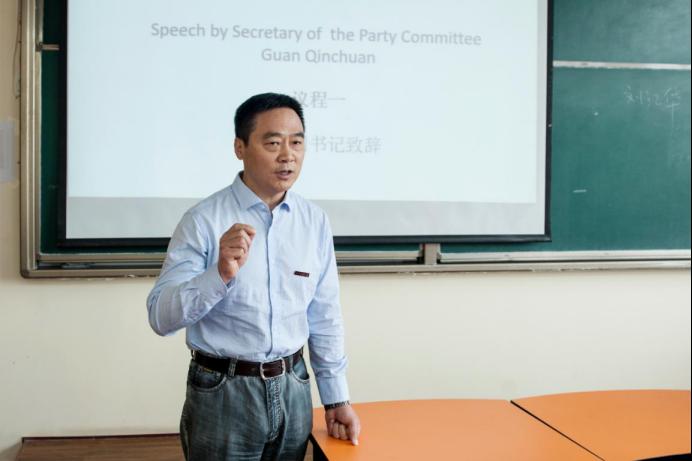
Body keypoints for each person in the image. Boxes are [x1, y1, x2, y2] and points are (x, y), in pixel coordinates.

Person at [146, 93, 360, 460]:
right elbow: (160, 317)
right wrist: (219, 274)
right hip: (223, 391)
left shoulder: (313, 221)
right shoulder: (203, 220)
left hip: (294, 387)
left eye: (296, 143)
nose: (287, 155)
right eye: (273, 143)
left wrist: (336, 397)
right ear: (240, 148)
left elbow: (324, 316)